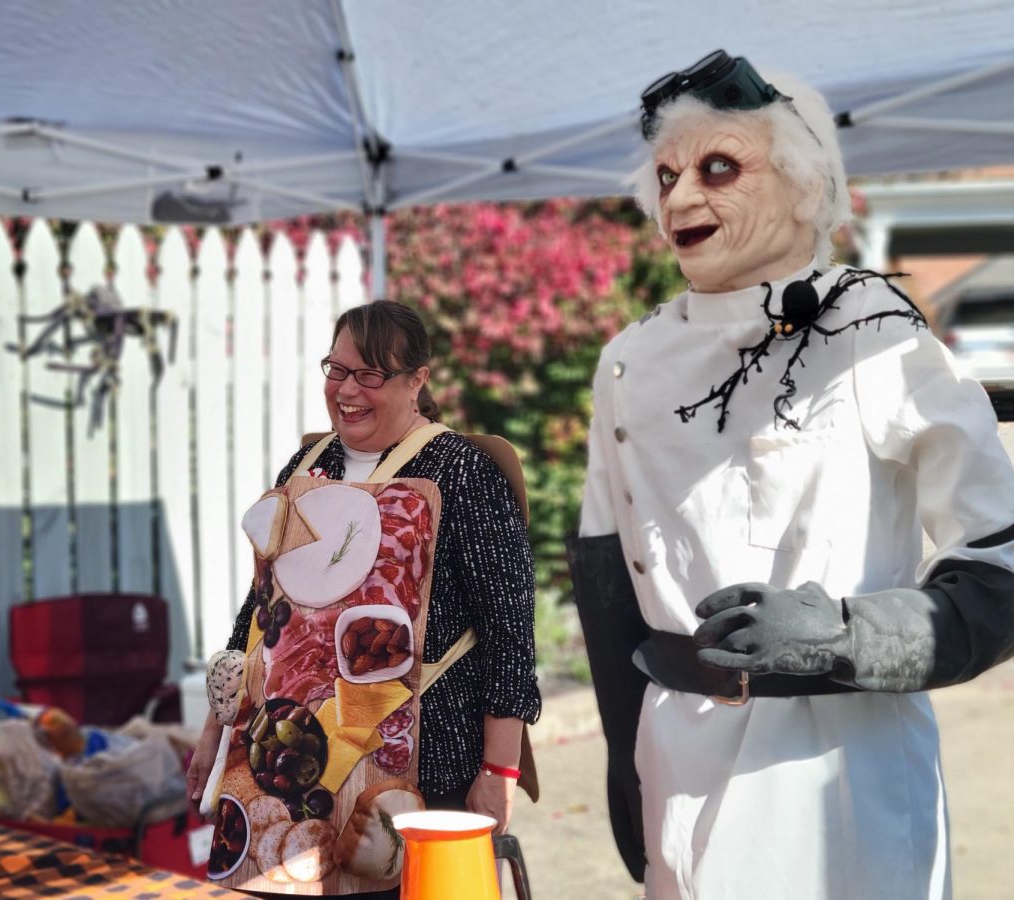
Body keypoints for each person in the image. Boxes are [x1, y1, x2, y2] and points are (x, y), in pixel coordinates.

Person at [571, 50, 1014, 900]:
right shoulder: (629, 358)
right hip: (680, 761)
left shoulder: (874, 330)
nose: (680, 200)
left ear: (806, 183)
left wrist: (846, 634)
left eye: (720, 167)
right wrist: (625, 756)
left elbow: (1001, 564)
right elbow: (607, 582)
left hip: (839, 773)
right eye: (666, 176)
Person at [188, 299, 541, 897]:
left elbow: (509, 631)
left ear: (418, 380)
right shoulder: (307, 463)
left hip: (423, 763)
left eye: (371, 375)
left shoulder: (463, 473)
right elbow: (262, 612)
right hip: (287, 759)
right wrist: (214, 734)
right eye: (337, 370)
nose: (348, 391)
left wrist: (498, 771)